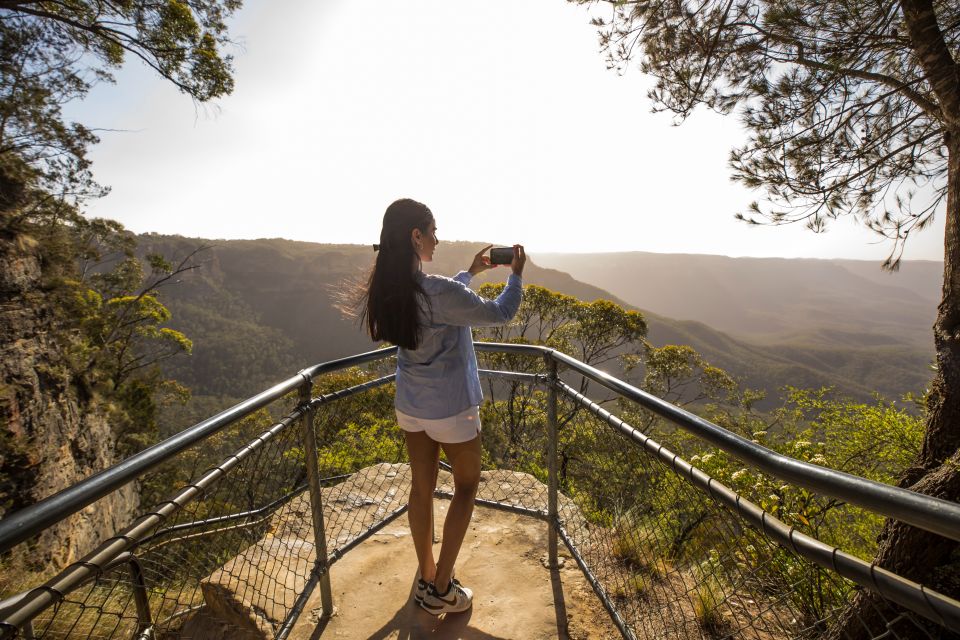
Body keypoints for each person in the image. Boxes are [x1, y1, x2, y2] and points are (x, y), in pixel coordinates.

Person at [361, 198, 525, 615]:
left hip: (411, 405)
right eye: (433, 230)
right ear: (416, 236)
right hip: (451, 408)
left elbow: (442, 298)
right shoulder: (437, 291)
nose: (438, 237)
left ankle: (426, 575)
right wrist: (515, 277)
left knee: (422, 488)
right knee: (466, 486)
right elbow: (500, 313)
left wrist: (470, 272)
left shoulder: (390, 289)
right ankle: (442, 587)